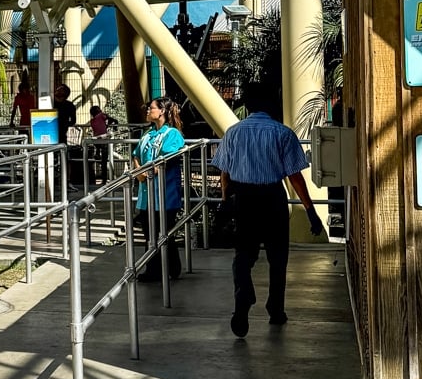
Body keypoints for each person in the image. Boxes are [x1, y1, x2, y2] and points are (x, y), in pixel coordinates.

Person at [211, 80, 326, 338]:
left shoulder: (233, 133)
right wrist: (309, 210)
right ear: (271, 104)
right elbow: (295, 176)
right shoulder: (282, 133)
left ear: (248, 105)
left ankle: (243, 291)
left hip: (244, 199)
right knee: (277, 258)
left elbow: (225, 173)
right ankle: (276, 309)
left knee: (243, 254)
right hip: (273, 198)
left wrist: (226, 199)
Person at [131, 97, 185, 283]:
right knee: (150, 234)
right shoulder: (147, 134)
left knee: (164, 232)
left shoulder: (172, 134)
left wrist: (146, 171)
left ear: (162, 111)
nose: (147, 110)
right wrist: (140, 172)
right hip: (147, 195)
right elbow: (136, 154)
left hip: (165, 195)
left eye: (150, 108)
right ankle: (157, 269)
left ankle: (167, 269)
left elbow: (165, 159)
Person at [10, 71, 36, 135]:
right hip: (30, 120)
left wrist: (11, 121)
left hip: (27, 120)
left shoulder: (20, 97)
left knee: (22, 137)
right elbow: (14, 109)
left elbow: (14, 109)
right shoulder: (30, 97)